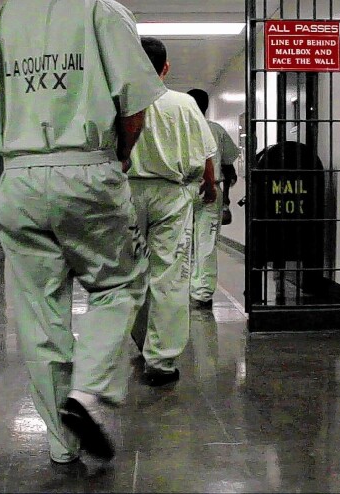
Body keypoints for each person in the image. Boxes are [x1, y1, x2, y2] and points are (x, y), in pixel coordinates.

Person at [0, 0, 166, 464]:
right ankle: (87, 393)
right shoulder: (103, 12)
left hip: (19, 179)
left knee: (38, 314)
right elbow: (135, 108)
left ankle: (61, 445)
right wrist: (119, 158)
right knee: (118, 286)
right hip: (89, 167)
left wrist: (24, 114)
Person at [128, 38, 217, 386]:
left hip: (127, 194)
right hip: (172, 194)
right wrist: (209, 188)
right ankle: (161, 360)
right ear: (165, 68)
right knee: (169, 274)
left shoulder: (116, 103)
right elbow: (205, 155)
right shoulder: (184, 104)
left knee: (133, 272)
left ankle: (142, 340)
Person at [185, 89, 241, 309]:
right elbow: (228, 167)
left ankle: (181, 288)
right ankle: (202, 294)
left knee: (182, 241)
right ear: (206, 106)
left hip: (183, 190)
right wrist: (225, 201)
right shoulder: (216, 130)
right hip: (212, 189)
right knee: (206, 243)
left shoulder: (178, 128)